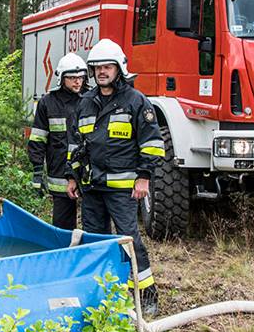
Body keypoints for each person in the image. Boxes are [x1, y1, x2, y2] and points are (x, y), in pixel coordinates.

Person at [65, 39, 164, 315]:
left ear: (119, 68)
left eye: (107, 66)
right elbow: (74, 144)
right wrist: (72, 177)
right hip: (92, 186)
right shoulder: (85, 103)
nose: (102, 72)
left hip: (123, 189)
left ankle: (146, 293)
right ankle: (104, 292)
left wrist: (144, 177)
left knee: (129, 239)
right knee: (96, 241)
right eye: (97, 68)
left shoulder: (136, 101)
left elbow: (152, 143)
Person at [27, 52, 88, 230]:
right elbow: (38, 138)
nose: (77, 82)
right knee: (62, 225)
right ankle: (63, 253)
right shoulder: (48, 103)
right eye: (72, 78)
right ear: (61, 78)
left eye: (80, 77)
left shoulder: (91, 100)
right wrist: (38, 170)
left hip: (87, 171)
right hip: (60, 173)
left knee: (93, 221)